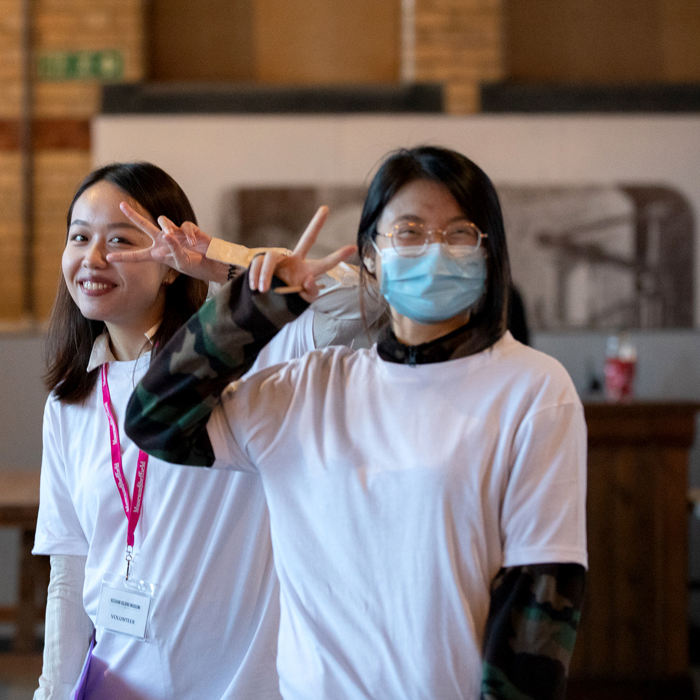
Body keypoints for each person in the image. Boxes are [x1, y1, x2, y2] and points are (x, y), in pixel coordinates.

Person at [125, 146, 588, 700]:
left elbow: (539, 596)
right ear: (370, 254)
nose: (435, 251)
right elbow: (155, 420)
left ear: (489, 253)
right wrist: (251, 309)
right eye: (410, 231)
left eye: (460, 233)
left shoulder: (532, 388)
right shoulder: (309, 388)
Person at [32, 161, 363, 700]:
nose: (93, 258)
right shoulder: (71, 401)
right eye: (79, 237)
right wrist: (51, 690)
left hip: (241, 686)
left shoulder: (239, 360)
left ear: (168, 264)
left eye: (120, 239)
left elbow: (363, 306)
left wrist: (223, 266)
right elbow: (70, 572)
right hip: (119, 684)